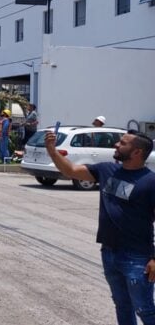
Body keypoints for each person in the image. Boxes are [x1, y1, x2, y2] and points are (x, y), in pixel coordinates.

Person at [44, 129, 155, 325]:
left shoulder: (150, 181)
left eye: (123, 143)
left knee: (145, 309)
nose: (116, 145)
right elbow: (71, 171)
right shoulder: (107, 170)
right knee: (122, 305)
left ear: (137, 152)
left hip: (137, 257)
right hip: (109, 252)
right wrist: (52, 151)